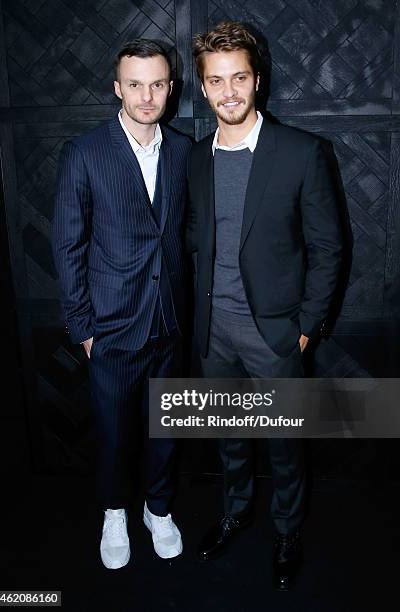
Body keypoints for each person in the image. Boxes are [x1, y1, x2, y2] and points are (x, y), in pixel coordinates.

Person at [187, 21, 342, 590]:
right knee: (229, 435)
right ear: (202, 88)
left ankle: (286, 528)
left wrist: (306, 327)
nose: (229, 92)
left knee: (282, 443)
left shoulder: (301, 153)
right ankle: (235, 510)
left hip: (275, 333)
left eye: (240, 78)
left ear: (258, 80)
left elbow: (329, 247)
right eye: (216, 80)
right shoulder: (195, 159)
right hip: (214, 332)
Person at [52, 39, 191, 569]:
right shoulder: (85, 152)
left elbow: (185, 236)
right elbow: (67, 244)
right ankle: (115, 514)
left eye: (157, 83)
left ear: (170, 88)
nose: (147, 95)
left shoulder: (182, 150)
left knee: (166, 427)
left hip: (170, 323)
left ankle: (158, 509)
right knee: (113, 432)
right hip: (110, 327)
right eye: (135, 84)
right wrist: (84, 327)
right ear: (118, 89)